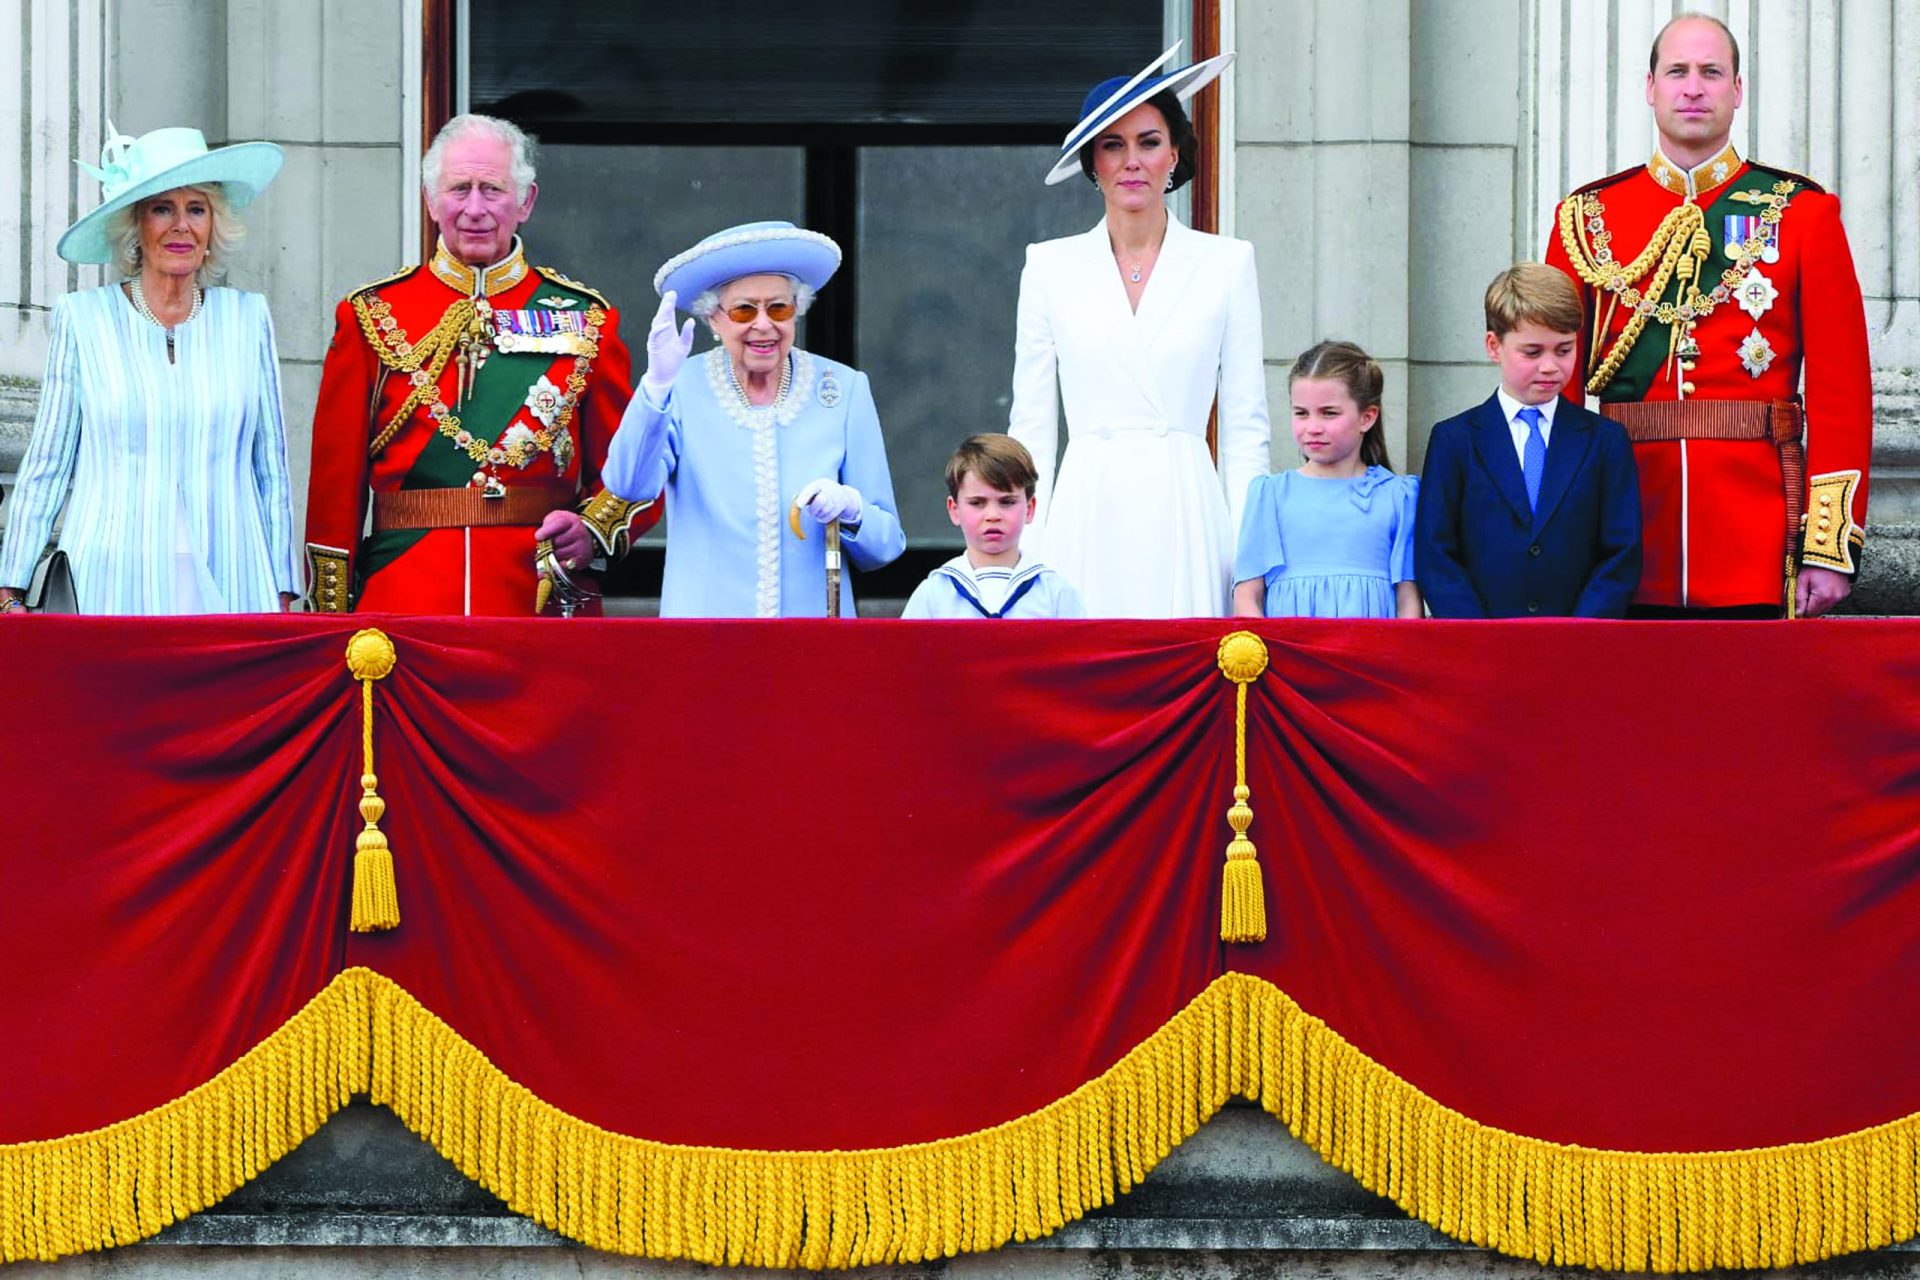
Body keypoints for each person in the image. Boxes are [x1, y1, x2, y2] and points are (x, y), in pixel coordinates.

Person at [1543, 11, 1872, 618]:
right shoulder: (1586, 220)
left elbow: (1841, 390)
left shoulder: (1801, 213)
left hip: (1760, 538)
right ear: (1650, 88)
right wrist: (1560, 535)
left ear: (1737, 91)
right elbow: (1553, 393)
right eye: (1678, 71)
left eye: (1712, 72)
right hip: (1623, 534)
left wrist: (1827, 546)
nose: (1693, 87)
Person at [303, 113, 654, 616]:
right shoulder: (371, 315)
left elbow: (631, 469)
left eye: (492, 189)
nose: (474, 208)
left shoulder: (586, 319)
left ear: (526, 202)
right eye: (458, 189)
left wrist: (592, 533)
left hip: (537, 600)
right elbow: (334, 490)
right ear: (429, 200)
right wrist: (331, 620)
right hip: (403, 599)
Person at [1008, 42, 1270, 618]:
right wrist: (1026, 552)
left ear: (1174, 154)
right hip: (1086, 507)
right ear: (1092, 163)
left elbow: (1246, 430)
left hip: (1186, 506)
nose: (1132, 161)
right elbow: (1030, 428)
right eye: (1113, 145)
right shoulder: (1049, 266)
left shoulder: (1228, 263)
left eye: (1149, 143)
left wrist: (1248, 563)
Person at [0, 125, 297, 616]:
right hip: (112, 580)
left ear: (213, 225)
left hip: (233, 576)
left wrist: (283, 586)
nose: (181, 226)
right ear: (135, 224)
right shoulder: (84, 318)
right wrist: (11, 585)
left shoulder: (247, 319)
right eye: (163, 208)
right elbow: (48, 464)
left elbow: (271, 469)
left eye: (196, 209)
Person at [600, 221, 905, 617]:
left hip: (811, 642)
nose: (764, 325)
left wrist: (853, 510)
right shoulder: (680, 387)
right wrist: (656, 386)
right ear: (714, 319)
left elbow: (886, 545)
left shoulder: (843, 389)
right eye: (744, 310)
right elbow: (628, 485)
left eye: (779, 308)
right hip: (706, 642)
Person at [1416, 264, 1642, 619]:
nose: (1551, 366)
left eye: (1564, 350)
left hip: (1577, 646)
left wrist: (1580, 632)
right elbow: (1436, 551)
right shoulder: (1454, 439)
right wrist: (1477, 635)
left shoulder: (1605, 441)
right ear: (1494, 346)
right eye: (1533, 352)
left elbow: (1621, 551)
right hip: (1481, 646)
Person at [1232, 342, 1420, 619]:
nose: (1313, 427)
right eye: (1301, 413)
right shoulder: (1269, 494)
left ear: (1367, 418)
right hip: (1290, 656)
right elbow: (1248, 596)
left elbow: (1408, 599)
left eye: (1329, 413)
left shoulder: (1398, 496)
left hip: (1368, 656)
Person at [902, 435, 1085, 619]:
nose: (993, 516)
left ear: (1030, 509)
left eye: (1007, 502)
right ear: (954, 509)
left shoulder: (1056, 594)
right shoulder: (933, 595)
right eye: (977, 503)